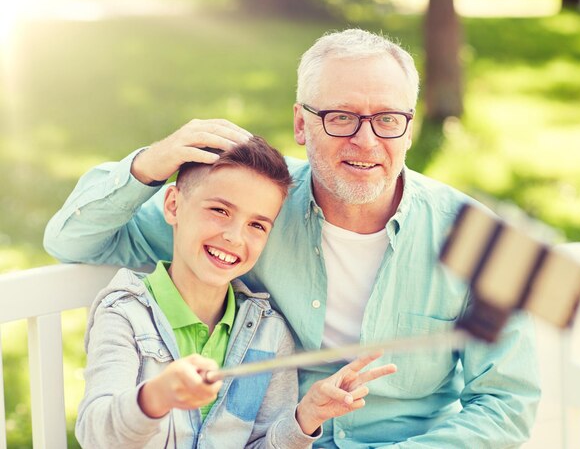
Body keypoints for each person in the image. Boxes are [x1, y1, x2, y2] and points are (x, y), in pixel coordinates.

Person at [46, 29, 540, 447]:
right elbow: (73, 241)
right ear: (302, 124)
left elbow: (507, 401)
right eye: (341, 117)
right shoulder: (252, 210)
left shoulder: (482, 239)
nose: (366, 142)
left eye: (388, 120)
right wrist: (148, 165)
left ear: (409, 129)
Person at [75, 137, 396, 448]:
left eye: (256, 225)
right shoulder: (125, 314)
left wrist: (305, 417)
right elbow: (96, 435)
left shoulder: (269, 335)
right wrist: (156, 396)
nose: (234, 237)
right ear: (173, 205)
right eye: (219, 210)